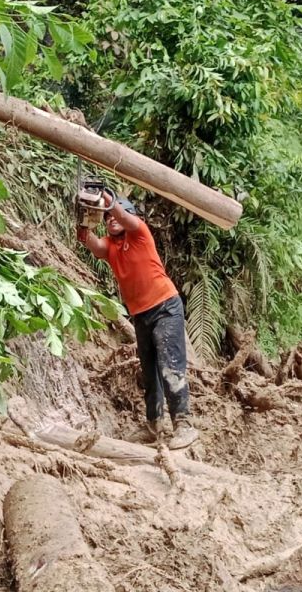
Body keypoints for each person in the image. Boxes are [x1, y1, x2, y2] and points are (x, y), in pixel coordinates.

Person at [77, 192, 199, 450]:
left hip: (165, 306)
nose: (112, 219)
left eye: (117, 214)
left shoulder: (139, 232)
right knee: (150, 371)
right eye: (107, 217)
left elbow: (127, 219)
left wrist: (109, 202)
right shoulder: (111, 246)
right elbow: (93, 244)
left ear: (131, 215)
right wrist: (83, 219)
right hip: (141, 314)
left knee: (170, 365)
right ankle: (154, 423)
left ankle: (184, 425)